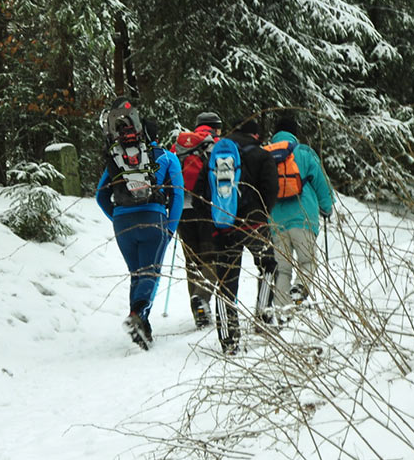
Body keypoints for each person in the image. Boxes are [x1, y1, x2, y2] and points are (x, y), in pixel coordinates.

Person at [95, 109, 184, 349]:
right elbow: (177, 196)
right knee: (150, 273)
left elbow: (100, 195)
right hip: (153, 220)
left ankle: (143, 325)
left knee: (137, 273)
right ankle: (137, 315)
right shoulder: (166, 157)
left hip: (123, 225)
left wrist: (116, 216)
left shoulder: (117, 158)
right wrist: (170, 228)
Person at [206, 116, 279, 353]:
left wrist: (216, 220)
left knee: (226, 282)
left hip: (223, 225)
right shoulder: (262, 154)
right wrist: (262, 215)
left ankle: (229, 340)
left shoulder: (217, 154)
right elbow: (271, 190)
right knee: (268, 265)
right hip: (253, 225)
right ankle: (264, 316)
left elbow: (203, 188)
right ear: (256, 135)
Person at [266, 113, 335, 315]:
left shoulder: (266, 155)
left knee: (283, 268)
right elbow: (322, 184)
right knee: (307, 261)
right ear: (294, 133)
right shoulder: (304, 152)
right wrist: (327, 207)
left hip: (276, 221)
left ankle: (283, 312)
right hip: (303, 218)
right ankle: (300, 289)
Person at [172, 112, 222, 328]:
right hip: (207, 208)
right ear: (215, 128)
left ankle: (198, 310)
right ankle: (201, 297)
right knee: (212, 256)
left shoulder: (179, 146)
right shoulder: (217, 145)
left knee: (192, 259)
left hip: (181, 209)